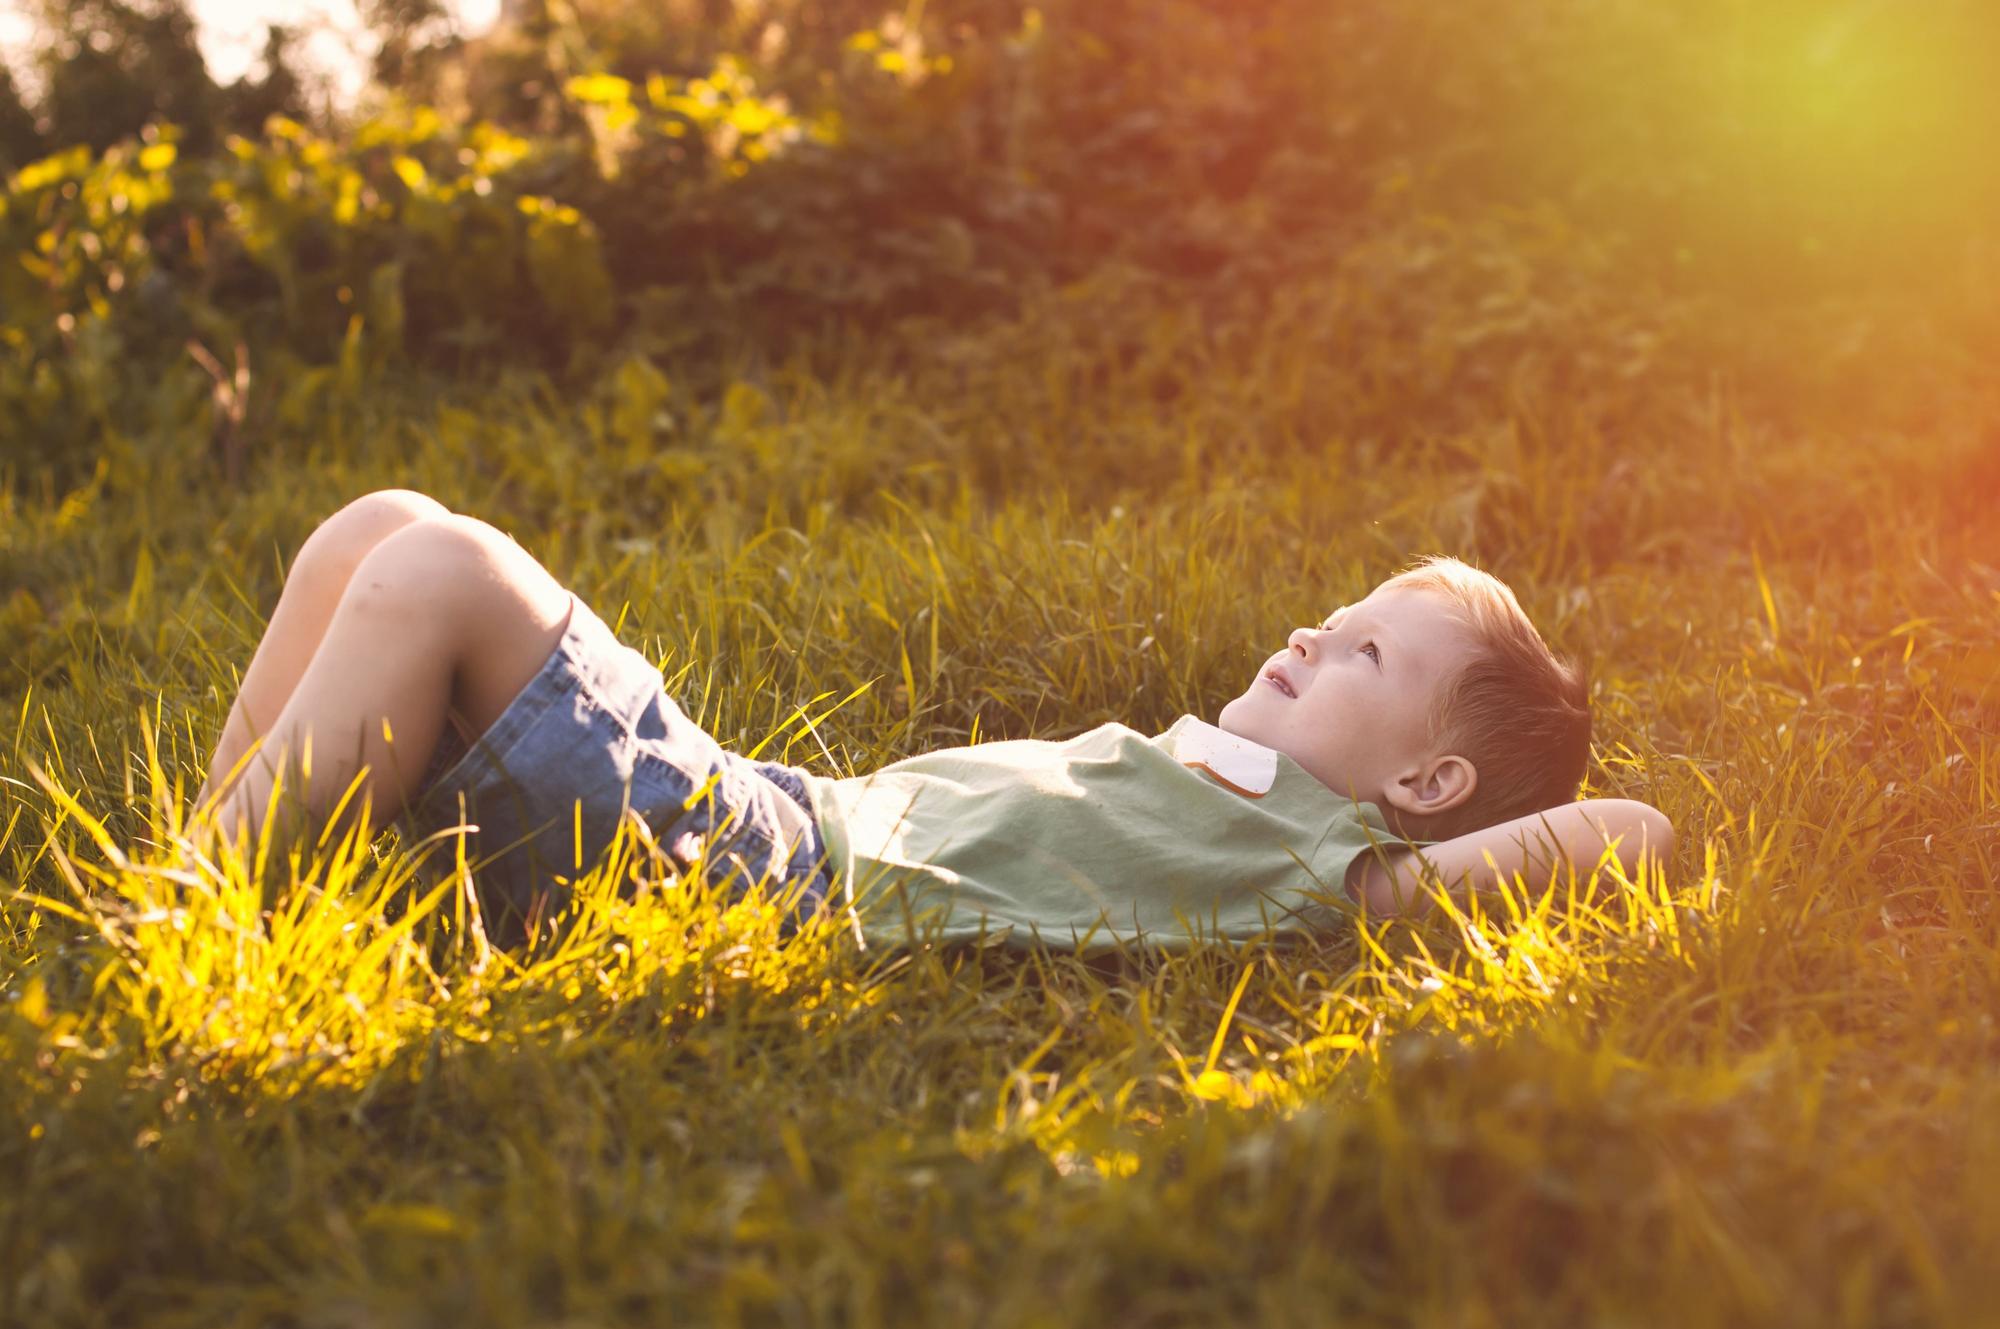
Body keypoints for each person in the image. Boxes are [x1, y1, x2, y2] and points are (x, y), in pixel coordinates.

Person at [191, 489, 1674, 951]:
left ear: (1428, 774)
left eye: (1359, 651)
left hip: (771, 873)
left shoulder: (1322, 868)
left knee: (442, 565)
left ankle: (196, 912)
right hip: (765, 810)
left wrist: (1430, 851)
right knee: (377, 525)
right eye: (1338, 614)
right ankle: (219, 857)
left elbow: (1638, 830)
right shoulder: (1232, 784)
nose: (1308, 632)